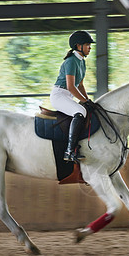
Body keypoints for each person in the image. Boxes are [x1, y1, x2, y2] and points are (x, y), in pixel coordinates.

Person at [51, 30, 95, 162]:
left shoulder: (81, 62)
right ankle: (69, 151)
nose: (90, 47)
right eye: (87, 44)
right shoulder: (71, 61)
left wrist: (87, 100)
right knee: (80, 111)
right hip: (59, 95)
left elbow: (80, 85)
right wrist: (84, 102)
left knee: (87, 109)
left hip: (68, 95)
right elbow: (71, 86)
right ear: (78, 46)